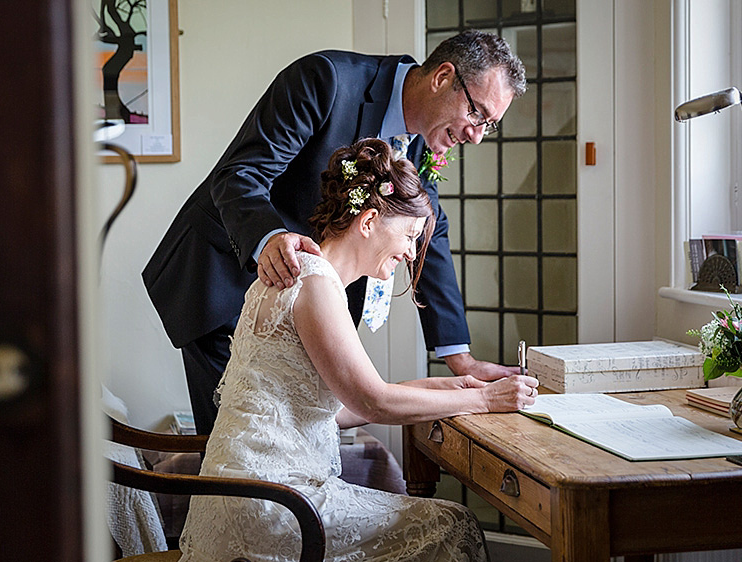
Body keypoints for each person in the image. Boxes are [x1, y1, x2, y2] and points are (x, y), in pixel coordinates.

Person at [143, 30, 528, 437]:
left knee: (293, 429)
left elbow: (430, 229)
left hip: (303, 302)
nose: (476, 135)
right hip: (221, 283)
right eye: (477, 114)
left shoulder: (420, 139)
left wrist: (458, 356)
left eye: (489, 125)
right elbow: (240, 174)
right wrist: (270, 237)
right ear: (443, 77)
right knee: (237, 442)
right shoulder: (325, 80)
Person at [175, 139, 539, 562]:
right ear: (368, 221)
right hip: (276, 504)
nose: (409, 253)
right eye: (408, 236)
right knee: (452, 523)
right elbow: (372, 401)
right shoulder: (315, 285)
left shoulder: (298, 274)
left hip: (242, 495)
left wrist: (449, 385)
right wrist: (484, 399)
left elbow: (332, 408)